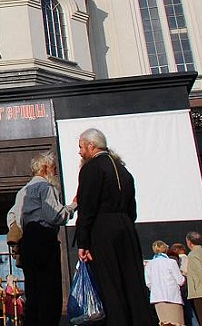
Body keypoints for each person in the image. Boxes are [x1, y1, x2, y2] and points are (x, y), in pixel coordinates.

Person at [74, 128, 153, 326]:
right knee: (133, 283)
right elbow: (132, 208)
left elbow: (87, 206)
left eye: (81, 147)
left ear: (91, 146)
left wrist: (83, 241)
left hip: (102, 230)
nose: (80, 152)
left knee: (110, 284)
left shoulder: (91, 169)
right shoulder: (123, 170)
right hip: (126, 227)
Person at [9, 152, 76, 326]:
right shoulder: (46, 188)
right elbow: (54, 215)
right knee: (50, 291)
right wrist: (73, 206)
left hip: (28, 240)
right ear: (45, 168)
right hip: (44, 239)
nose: (55, 173)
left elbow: (11, 216)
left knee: (33, 292)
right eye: (53, 169)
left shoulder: (23, 191)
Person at [144, 240, 185, 326]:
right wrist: (184, 276)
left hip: (158, 299)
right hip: (172, 298)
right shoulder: (171, 262)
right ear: (165, 249)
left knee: (164, 323)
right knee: (177, 323)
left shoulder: (149, 264)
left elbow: (148, 283)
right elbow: (180, 281)